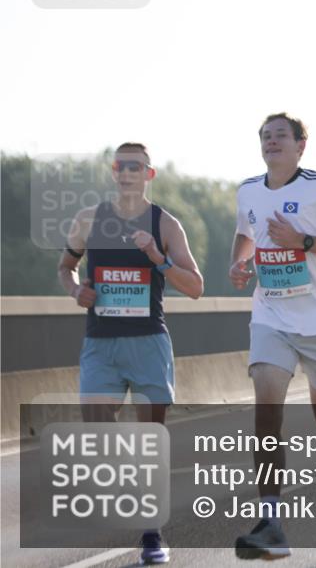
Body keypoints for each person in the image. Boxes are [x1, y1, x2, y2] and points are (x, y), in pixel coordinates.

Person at [58, 142, 204, 565]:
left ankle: (151, 534)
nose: (127, 173)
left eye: (135, 167)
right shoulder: (89, 219)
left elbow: (196, 287)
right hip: (100, 342)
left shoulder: (165, 224)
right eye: (121, 166)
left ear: (149, 175)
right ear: (113, 171)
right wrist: (75, 290)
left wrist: (156, 258)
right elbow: (65, 267)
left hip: (148, 341)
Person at [229, 113, 316, 560]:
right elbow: (244, 235)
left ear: (300, 145)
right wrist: (239, 262)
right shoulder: (248, 190)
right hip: (271, 317)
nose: (271, 142)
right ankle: (272, 523)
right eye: (265, 137)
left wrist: (301, 240)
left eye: (280, 136)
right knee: (266, 413)